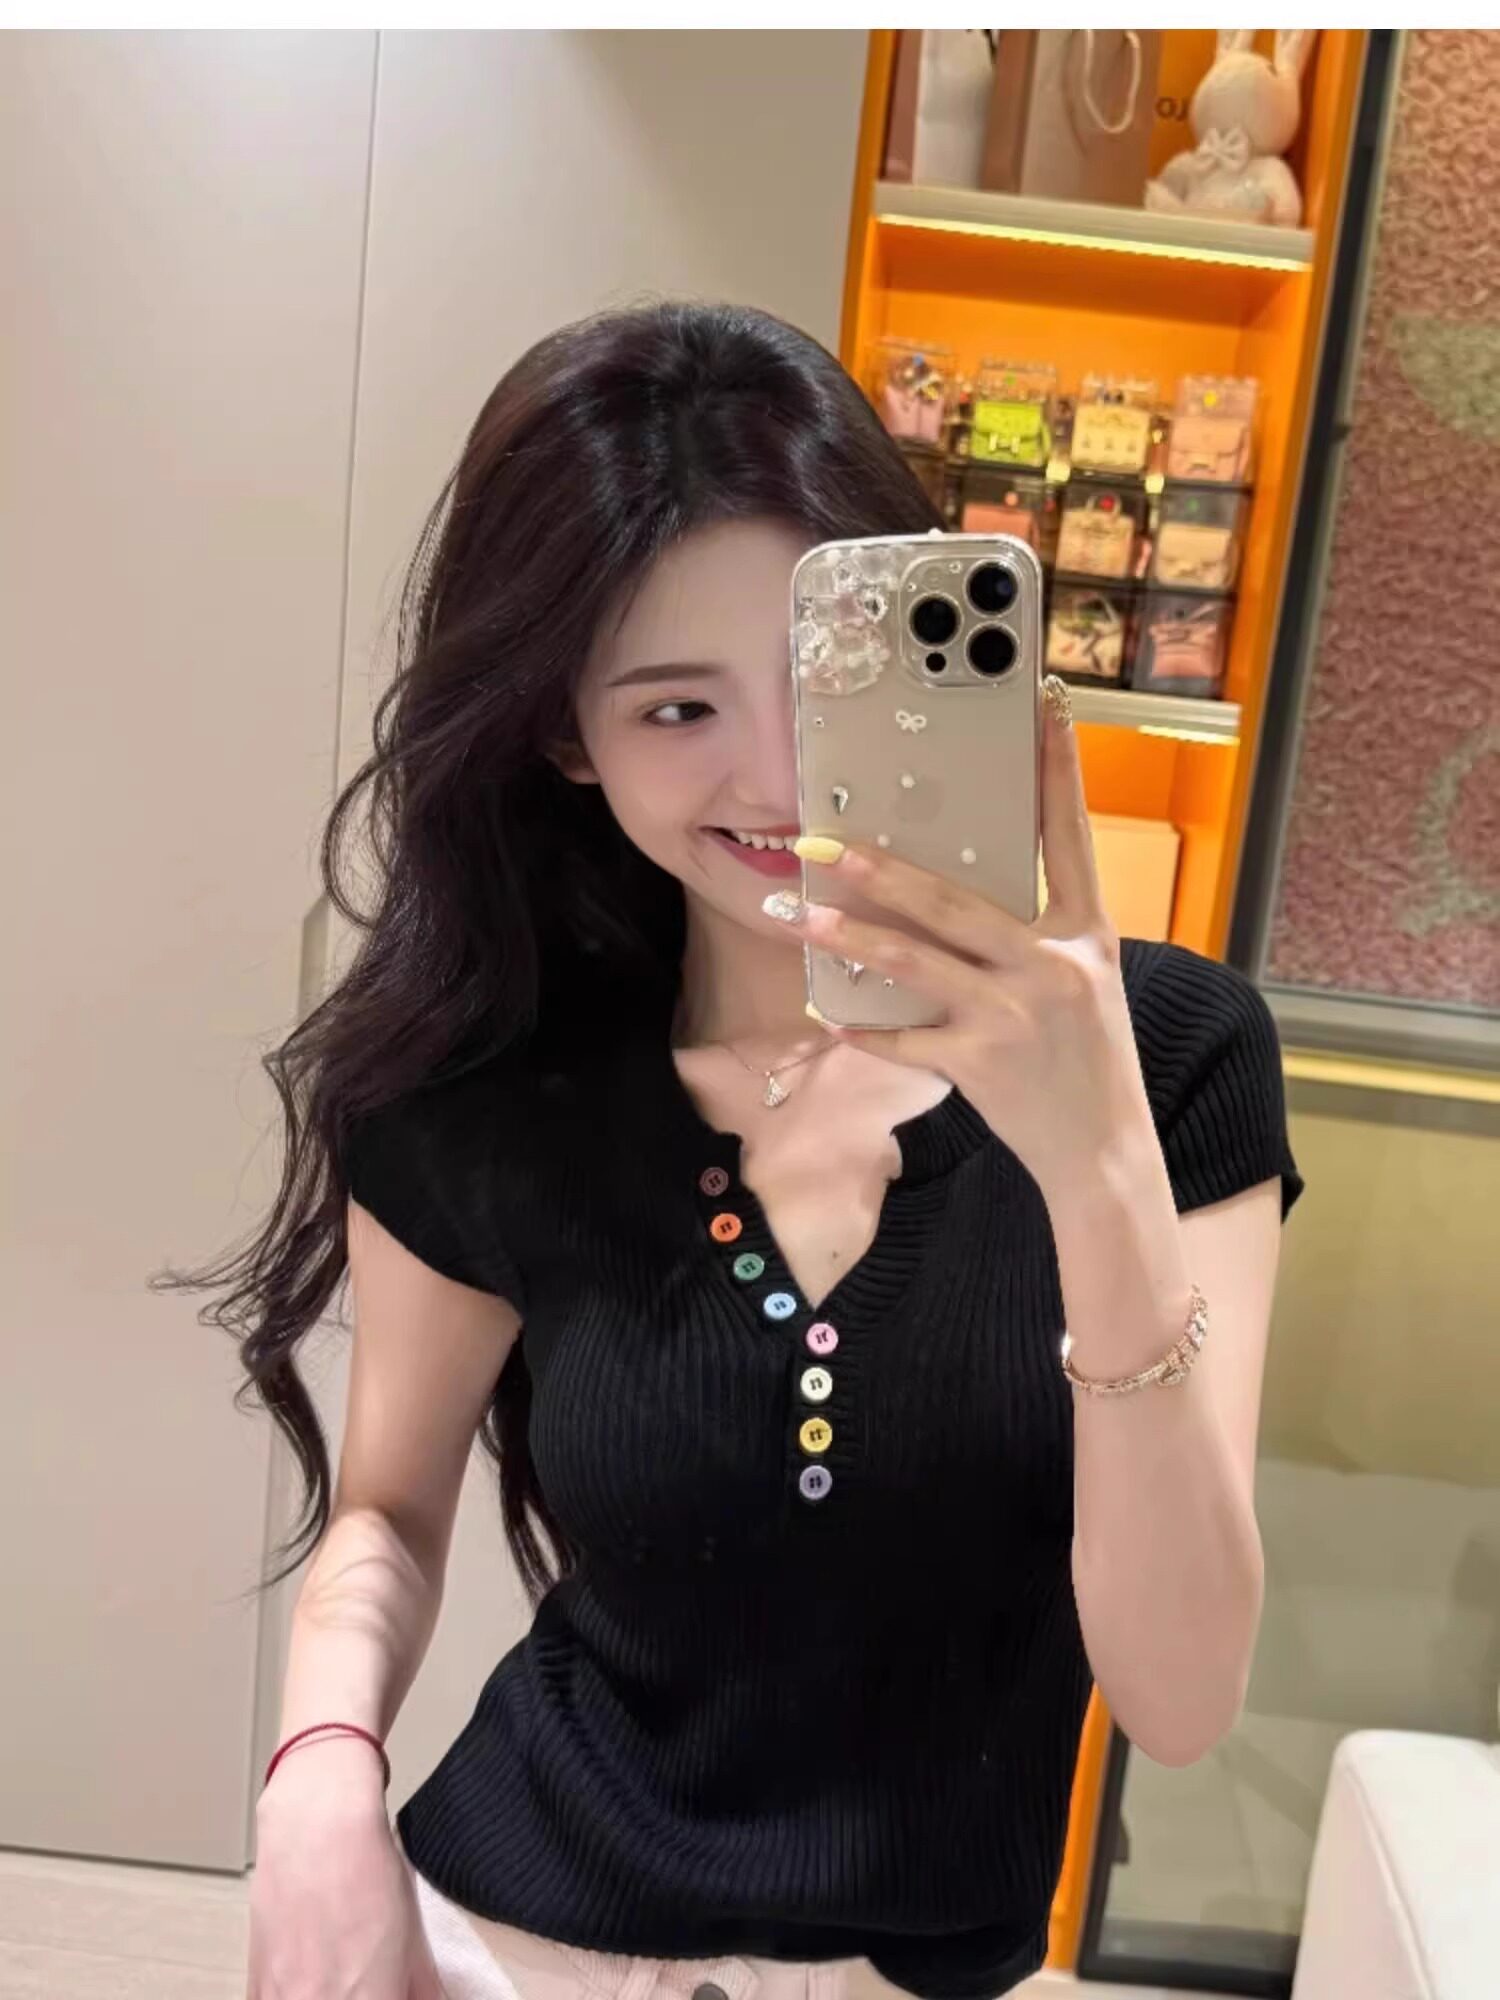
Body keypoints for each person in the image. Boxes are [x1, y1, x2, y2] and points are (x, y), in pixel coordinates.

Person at [171, 301, 1304, 2000]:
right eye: (676, 708)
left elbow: (1184, 1696)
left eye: (817, 682)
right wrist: (321, 1782)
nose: (775, 777)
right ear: (566, 735)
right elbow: (388, 1516)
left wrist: (1093, 1165)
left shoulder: (1174, 1061)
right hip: (511, 1946)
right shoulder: (495, 1092)